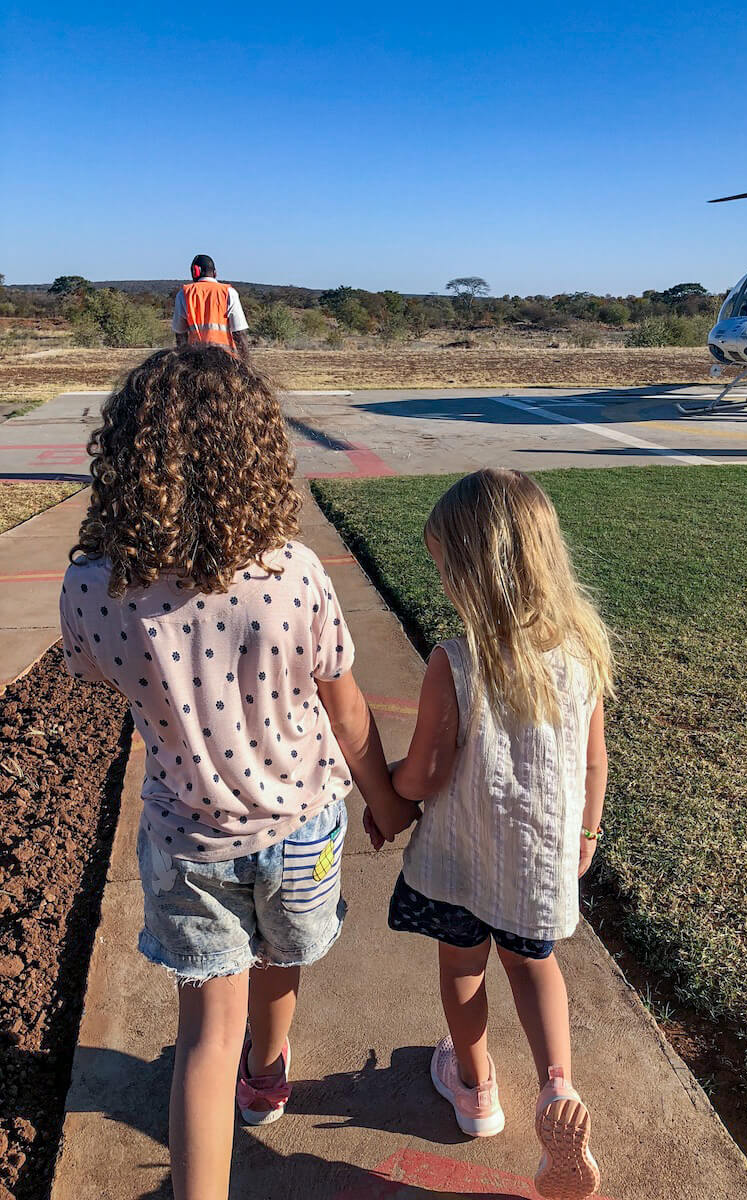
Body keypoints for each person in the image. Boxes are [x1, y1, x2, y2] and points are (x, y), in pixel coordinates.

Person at [59, 346, 417, 1200]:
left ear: (129, 454)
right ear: (254, 453)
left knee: (200, 1041)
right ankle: (268, 1075)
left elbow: (99, 673)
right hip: (298, 826)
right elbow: (350, 711)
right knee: (282, 958)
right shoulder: (291, 573)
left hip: (187, 839)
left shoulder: (91, 585)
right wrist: (387, 801)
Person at [372, 468, 614, 1200]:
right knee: (534, 968)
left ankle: (475, 1087)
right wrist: (588, 834)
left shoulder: (455, 661)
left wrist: (384, 786)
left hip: (460, 862)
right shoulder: (581, 654)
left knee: (463, 970)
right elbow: (594, 760)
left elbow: (427, 771)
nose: (442, 582)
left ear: (476, 574)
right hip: (539, 865)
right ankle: (555, 1087)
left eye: (446, 567)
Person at [173, 254, 250, 361]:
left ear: (195, 272)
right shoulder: (229, 293)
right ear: (215, 273)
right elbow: (240, 333)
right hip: (225, 359)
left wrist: (182, 361)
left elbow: (180, 334)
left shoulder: (184, 294)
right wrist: (246, 364)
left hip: (195, 360)